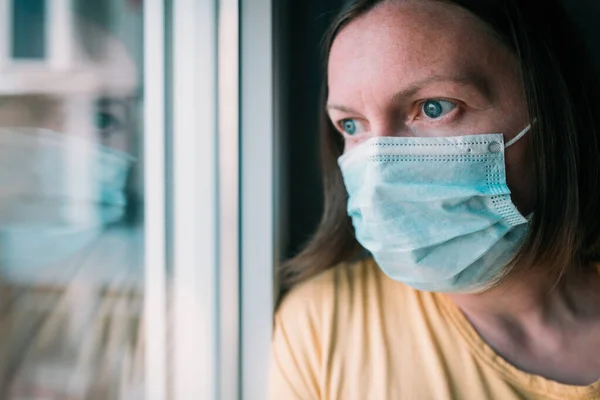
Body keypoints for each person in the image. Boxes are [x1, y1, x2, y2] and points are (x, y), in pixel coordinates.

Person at [269, 0, 600, 398]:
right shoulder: (323, 328)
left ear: (548, 107)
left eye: (433, 107)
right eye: (352, 124)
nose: (380, 168)